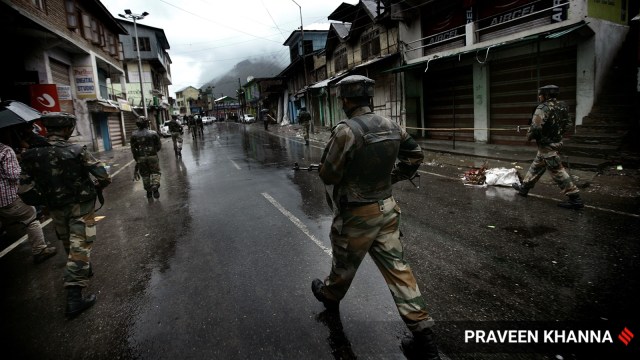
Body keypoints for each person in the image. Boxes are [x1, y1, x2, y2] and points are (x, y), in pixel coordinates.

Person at [311, 75, 441, 359]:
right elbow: (415, 155)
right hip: (387, 209)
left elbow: (329, 174)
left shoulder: (345, 131)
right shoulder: (391, 125)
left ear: (346, 100)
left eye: (342, 99)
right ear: (368, 98)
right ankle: (424, 337)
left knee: (344, 264)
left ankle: (330, 296)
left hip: (358, 214)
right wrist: (393, 177)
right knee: (399, 271)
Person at [19, 112, 111, 318]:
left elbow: (24, 190)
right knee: (80, 244)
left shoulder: (30, 155)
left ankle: (83, 268)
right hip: (80, 205)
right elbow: (103, 175)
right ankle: (74, 298)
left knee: (70, 241)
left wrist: (46, 199)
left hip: (55, 208)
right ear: (67, 128)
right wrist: (99, 185)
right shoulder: (77, 150)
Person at [512, 85, 584, 209]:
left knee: (557, 170)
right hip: (555, 142)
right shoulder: (563, 106)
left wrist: (529, 137)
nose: (539, 97)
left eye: (540, 95)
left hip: (546, 145)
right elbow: (568, 124)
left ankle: (575, 198)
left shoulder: (542, 107)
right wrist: (557, 134)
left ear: (544, 95)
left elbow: (535, 127)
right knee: (537, 166)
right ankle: (524, 188)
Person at [0, 140, 56, 264]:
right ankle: (40, 250)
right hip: (8, 198)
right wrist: (20, 162)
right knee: (31, 216)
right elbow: (14, 175)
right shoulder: (5, 150)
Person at [130, 116, 162, 199]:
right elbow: (158, 146)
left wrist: (137, 159)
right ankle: (155, 186)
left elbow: (133, 149)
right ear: (147, 123)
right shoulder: (153, 133)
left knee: (145, 175)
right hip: (152, 156)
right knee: (155, 172)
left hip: (141, 158)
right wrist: (153, 152)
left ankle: (148, 191)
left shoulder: (134, 135)